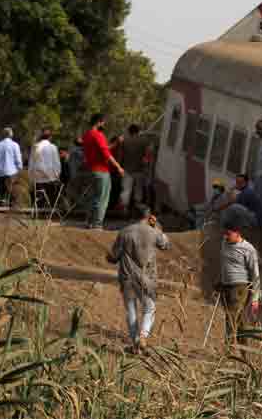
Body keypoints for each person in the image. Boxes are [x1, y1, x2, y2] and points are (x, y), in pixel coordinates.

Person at [106, 204, 171, 353]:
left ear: (132, 216)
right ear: (148, 217)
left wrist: (109, 256)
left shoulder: (124, 232)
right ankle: (143, 335)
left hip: (127, 277)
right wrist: (157, 226)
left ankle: (136, 343)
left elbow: (114, 257)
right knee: (150, 308)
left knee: (131, 310)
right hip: (147, 278)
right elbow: (166, 245)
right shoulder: (153, 232)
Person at [218, 222, 260, 344]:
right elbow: (225, 264)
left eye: (229, 234)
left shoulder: (248, 249)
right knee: (239, 318)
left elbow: (255, 274)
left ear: (238, 233)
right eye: (225, 233)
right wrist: (222, 280)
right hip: (226, 286)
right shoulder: (224, 242)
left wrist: (255, 298)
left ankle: (228, 351)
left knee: (230, 317)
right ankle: (244, 350)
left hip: (240, 288)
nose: (226, 236)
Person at [82, 114, 125, 229]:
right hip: (101, 171)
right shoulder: (98, 135)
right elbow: (106, 154)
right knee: (102, 199)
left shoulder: (86, 135)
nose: (104, 124)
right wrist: (118, 167)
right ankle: (97, 224)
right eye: (103, 122)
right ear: (98, 122)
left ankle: (89, 222)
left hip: (91, 170)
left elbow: (104, 149)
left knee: (93, 197)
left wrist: (116, 143)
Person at [120, 124, 152, 211]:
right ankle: (137, 206)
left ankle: (124, 208)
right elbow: (148, 154)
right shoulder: (144, 141)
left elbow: (121, 156)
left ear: (129, 131)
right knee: (138, 190)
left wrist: (120, 166)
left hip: (127, 169)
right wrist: (146, 164)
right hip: (139, 169)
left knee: (126, 190)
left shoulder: (125, 141)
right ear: (138, 131)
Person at [29, 128, 62, 209]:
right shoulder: (53, 147)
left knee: (38, 198)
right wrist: (56, 176)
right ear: (50, 137)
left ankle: (38, 210)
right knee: (52, 196)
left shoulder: (35, 147)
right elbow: (57, 164)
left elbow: (31, 164)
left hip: (37, 179)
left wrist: (32, 177)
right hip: (50, 179)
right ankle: (50, 210)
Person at [0, 128, 23, 207]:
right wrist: (20, 170)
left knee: (0, 195)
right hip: (11, 173)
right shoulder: (15, 145)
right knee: (11, 195)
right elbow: (18, 161)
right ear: (11, 135)